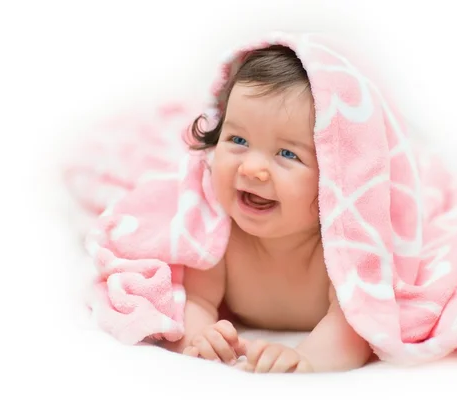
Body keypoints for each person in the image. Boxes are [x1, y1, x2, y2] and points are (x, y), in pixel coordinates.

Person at [159, 45, 373, 373]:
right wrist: (200, 337)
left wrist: (307, 360)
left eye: (287, 154)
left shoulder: (341, 250)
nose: (252, 169)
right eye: (238, 141)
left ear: (336, 177)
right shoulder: (219, 234)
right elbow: (196, 301)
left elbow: (352, 329)